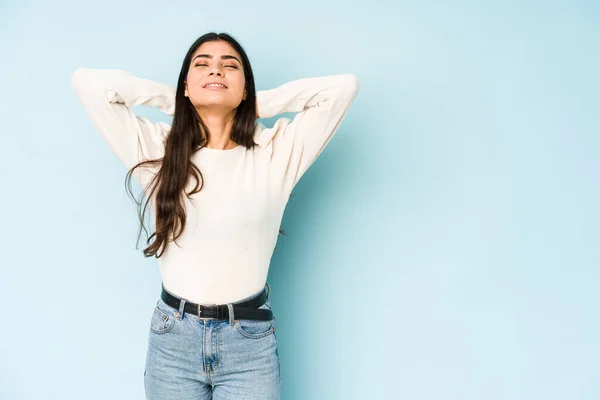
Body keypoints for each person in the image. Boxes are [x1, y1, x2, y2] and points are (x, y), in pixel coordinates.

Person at [71, 31, 359, 399]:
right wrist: (179, 101)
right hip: (173, 340)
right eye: (202, 64)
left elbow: (343, 89)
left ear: (245, 88)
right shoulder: (159, 149)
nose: (216, 70)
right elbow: (87, 82)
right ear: (185, 85)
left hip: (249, 342)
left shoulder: (275, 153)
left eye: (230, 65)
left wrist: (253, 104)